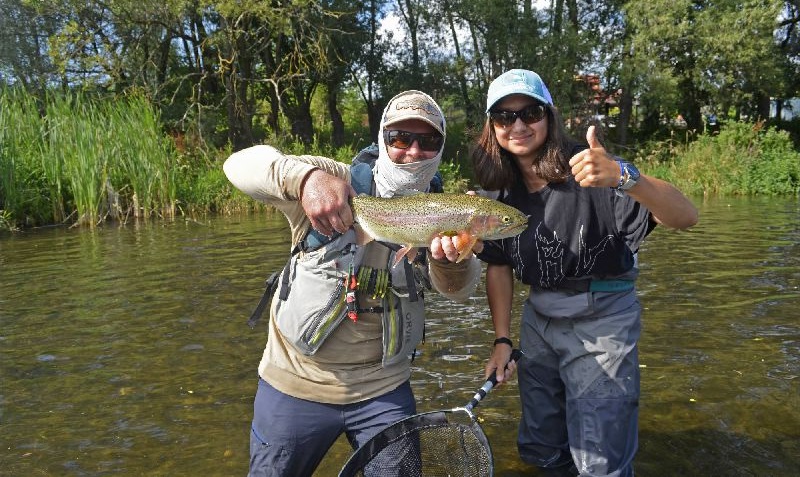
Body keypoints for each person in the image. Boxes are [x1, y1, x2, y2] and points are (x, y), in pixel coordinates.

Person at [223, 90, 481, 477]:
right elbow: (238, 165)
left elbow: (458, 291)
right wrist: (306, 179)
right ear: (381, 139)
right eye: (399, 138)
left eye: (428, 142)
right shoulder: (336, 179)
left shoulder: (444, 209)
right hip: (295, 383)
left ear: (441, 148)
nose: (412, 151)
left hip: (384, 389)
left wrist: (453, 262)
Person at [471, 69, 699, 477]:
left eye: (530, 112)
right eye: (505, 117)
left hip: (603, 315)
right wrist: (502, 340)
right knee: (542, 444)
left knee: (599, 458)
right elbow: (499, 265)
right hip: (538, 318)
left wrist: (625, 177)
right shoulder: (497, 189)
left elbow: (686, 216)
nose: (518, 125)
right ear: (493, 127)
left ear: (549, 116)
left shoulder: (594, 168)